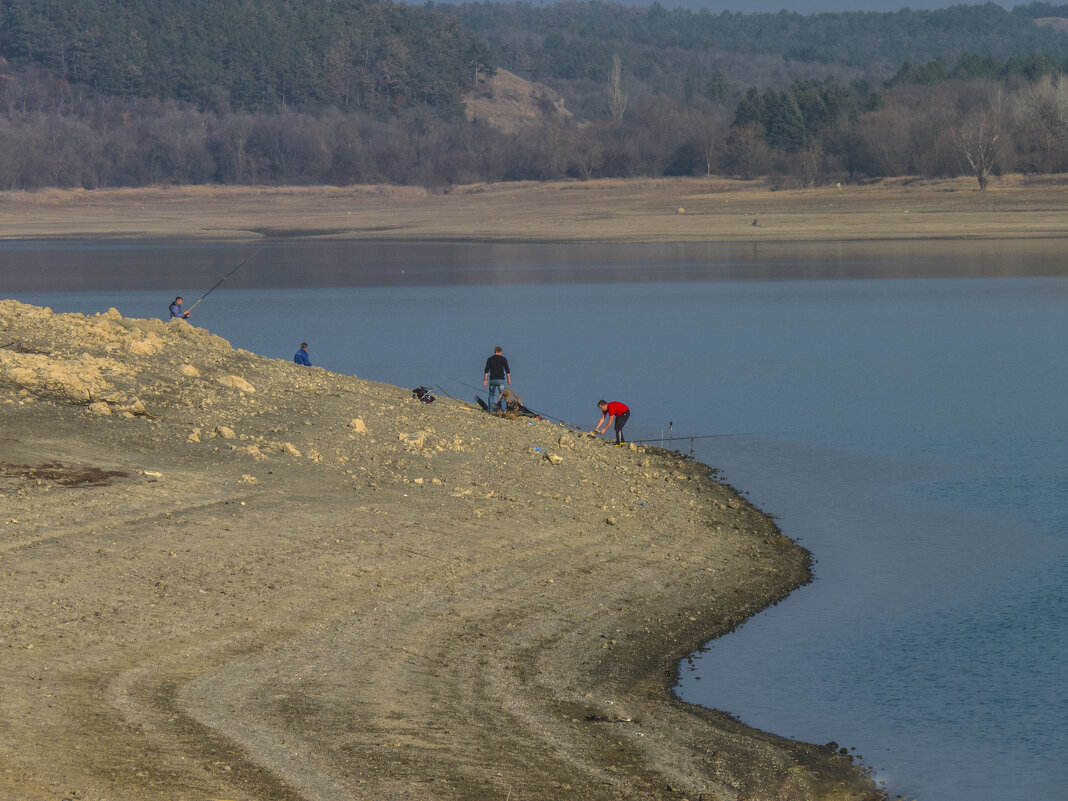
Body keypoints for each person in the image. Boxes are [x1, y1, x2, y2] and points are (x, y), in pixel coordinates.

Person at [483, 346, 511, 412]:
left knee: (491, 394)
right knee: (502, 395)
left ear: (494, 352)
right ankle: (503, 410)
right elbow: (507, 370)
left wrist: (485, 380)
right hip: (501, 380)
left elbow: (486, 370)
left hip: (492, 380)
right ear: (501, 352)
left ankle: (490, 409)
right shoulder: (503, 359)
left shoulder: (489, 359)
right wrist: (508, 379)